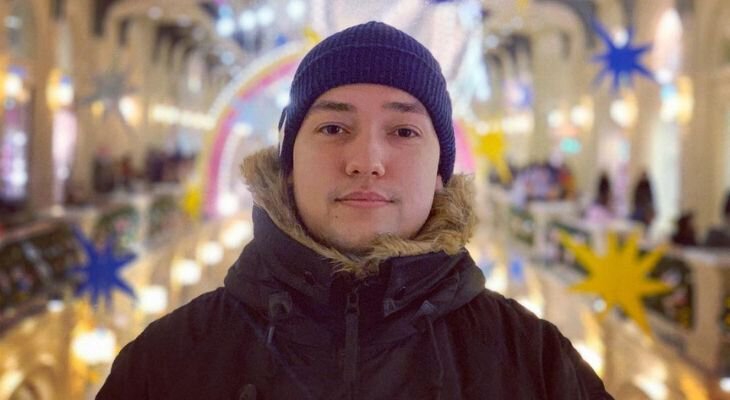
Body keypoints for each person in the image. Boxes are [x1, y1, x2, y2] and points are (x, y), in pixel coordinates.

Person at [98, 22, 612, 399]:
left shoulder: (537, 365)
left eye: (404, 131)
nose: (366, 161)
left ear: (441, 172)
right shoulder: (165, 364)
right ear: (288, 165)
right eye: (333, 128)